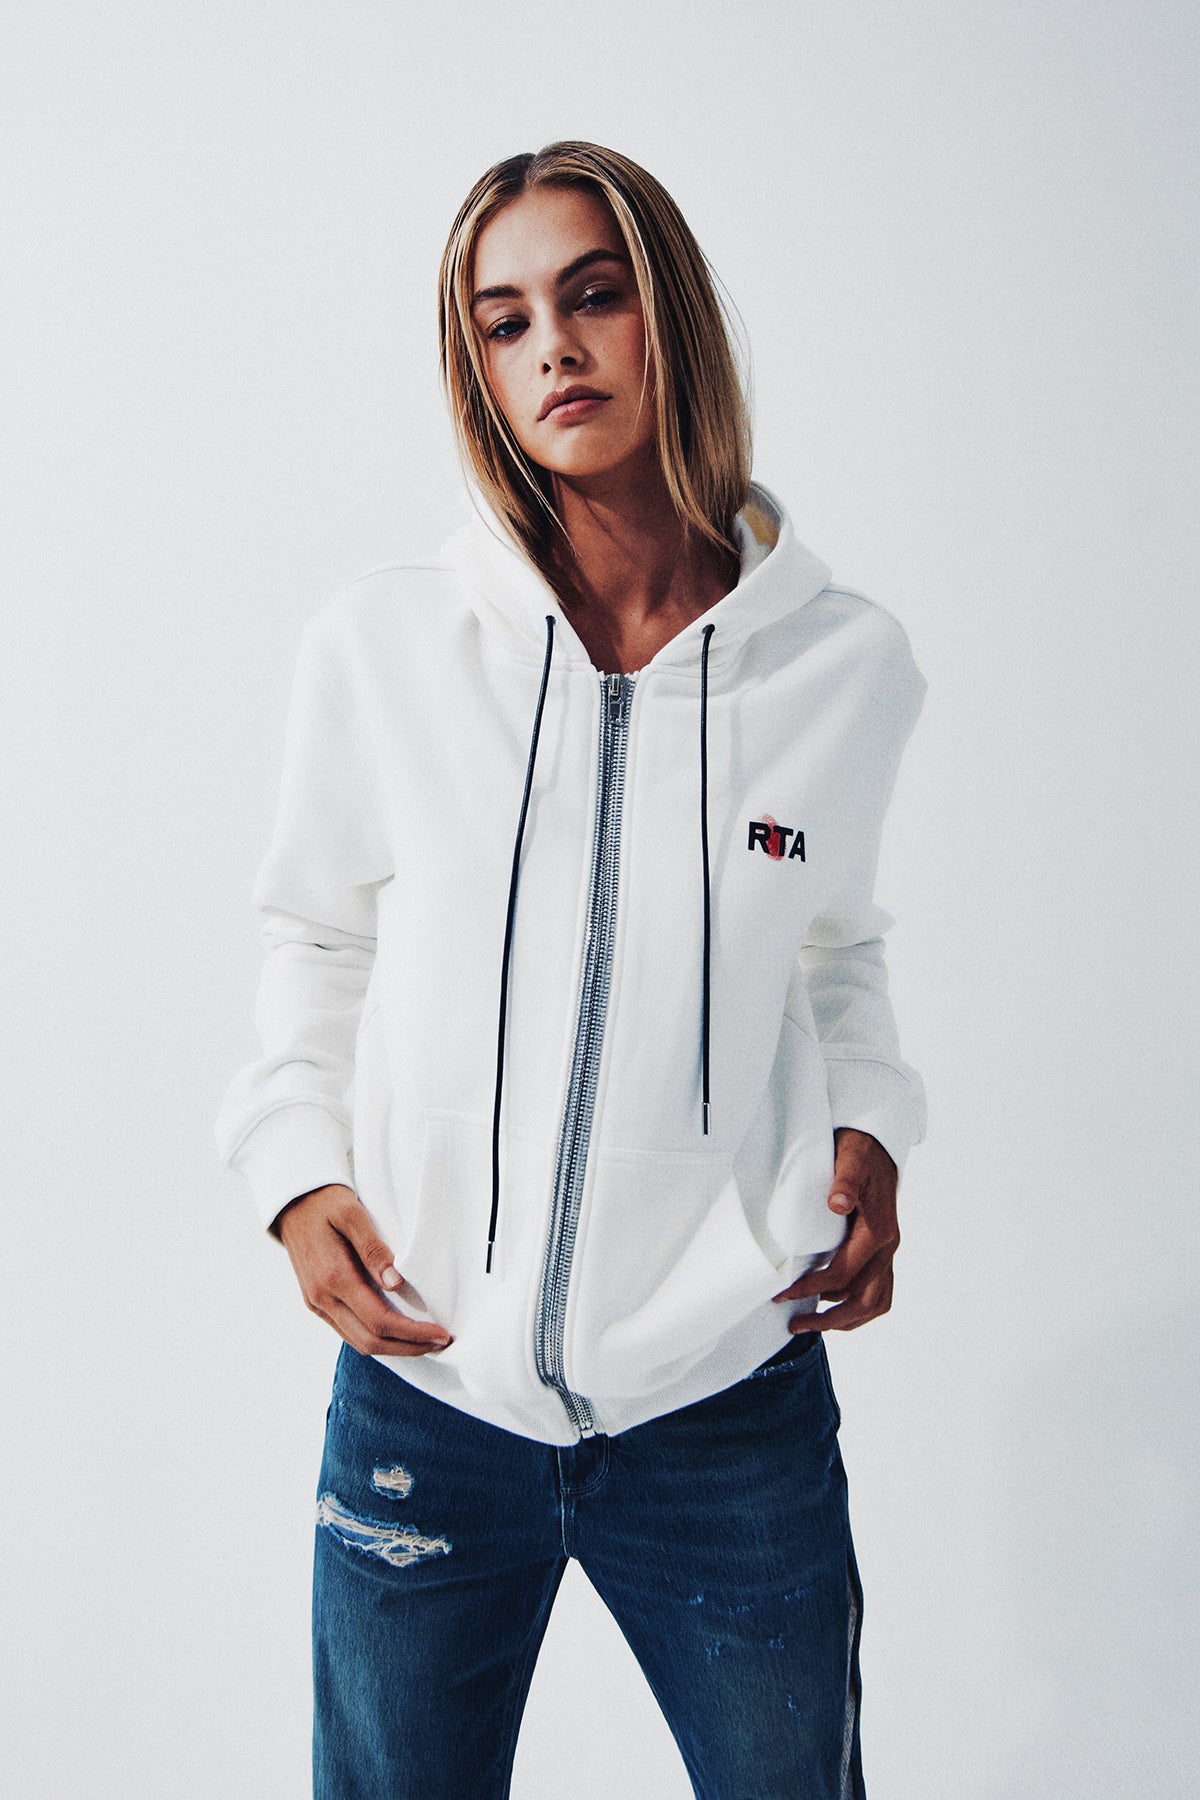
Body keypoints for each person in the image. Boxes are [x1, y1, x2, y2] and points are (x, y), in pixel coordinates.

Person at [215, 139, 927, 1800]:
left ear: (668, 316)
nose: (555, 348)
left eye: (593, 296)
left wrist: (873, 1125)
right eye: (507, 319)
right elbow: (316, 930)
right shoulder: (388, 644)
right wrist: (293, 1168)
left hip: (728, 1403)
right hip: (432, 1387)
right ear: (477, 364)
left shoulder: (844, 667)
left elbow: (836, 943)